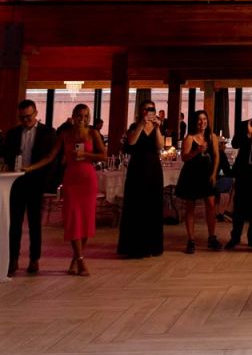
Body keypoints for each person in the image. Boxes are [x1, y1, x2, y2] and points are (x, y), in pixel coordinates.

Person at [25, 102, 106, 276]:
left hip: (88, 179)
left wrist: (86, 155)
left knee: (85, 221)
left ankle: (76, 258)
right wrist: (31, 168)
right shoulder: (65, 134)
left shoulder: (93, 133)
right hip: (71, 179)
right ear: (73, 116)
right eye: (79, 115)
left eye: (85, 116)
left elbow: (104, 155)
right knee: (73, 219)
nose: (82, 119)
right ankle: (81, 262)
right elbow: (50, 156)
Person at [2, 98, 57, 276]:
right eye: (22, 118)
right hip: (16, 182)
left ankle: (34, 259)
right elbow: (6, 154)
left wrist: (45, 180)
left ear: (36, 114)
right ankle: (13, 259)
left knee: (35, 223)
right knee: (15, 223)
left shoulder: (48, 132)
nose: (25, 121)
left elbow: (50, 158)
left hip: (36, 182)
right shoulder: (13, 133)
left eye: (28, 116)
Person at [117, 99, 164, 258]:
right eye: (145, 109)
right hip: (137, 168)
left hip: (154, 169)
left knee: (153, 205)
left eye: (151, 109)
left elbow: (160, 146)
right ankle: (135, 247)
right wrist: (141, 125)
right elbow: (132, 141)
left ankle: (152, 245)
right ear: (140, 112)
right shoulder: (134, 127)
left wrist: (157, 128)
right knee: (136, 206)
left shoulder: (156, 126)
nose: (148, 112)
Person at [176, 109, 221, 253]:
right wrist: (196, 151)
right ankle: (191, 240)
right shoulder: (189, 138)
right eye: (199, 120)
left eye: (205, 119)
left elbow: (216, 156)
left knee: (211, 205)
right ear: (195, 122)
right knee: (190, 207)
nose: (203, 122)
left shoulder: (212, 137)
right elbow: (184, 157)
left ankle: (212, 237)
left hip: (207, 174)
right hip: (192, 174)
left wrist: (214, 174)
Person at [226, 98, 252, 250]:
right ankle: (235, 237)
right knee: (239, 206)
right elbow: (235, 144)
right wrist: (248, 135)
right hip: (244, 171)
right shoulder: (244, 125)